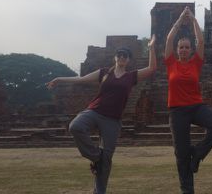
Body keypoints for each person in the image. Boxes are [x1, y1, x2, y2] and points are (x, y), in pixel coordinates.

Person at [46, 35, 158, 194]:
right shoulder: (104, 73)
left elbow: (152, 68)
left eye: (125, 55)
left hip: (112, 120)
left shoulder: (131, 77)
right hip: (95, 111)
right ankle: (96, 156)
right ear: (115, 57)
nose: (122, 57)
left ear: (129, 60)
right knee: (75, 126)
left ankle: (99, 190)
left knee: (106, 161)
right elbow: (82, 79)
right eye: (119, 54)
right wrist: (60, 79)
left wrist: (152, 47)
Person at [165, 6, 212, 194]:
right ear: (177, 49)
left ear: (190, 50)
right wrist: (179, 21)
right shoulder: (171, 62)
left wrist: (193, 19)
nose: (183, 50)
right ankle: (187, 190)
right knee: (181, 154)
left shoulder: (195, 63)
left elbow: (200, 40)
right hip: (177, 110)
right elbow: (168, 39)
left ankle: (198, 153)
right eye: (181, 47)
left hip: (196, 106)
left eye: (186, 47)